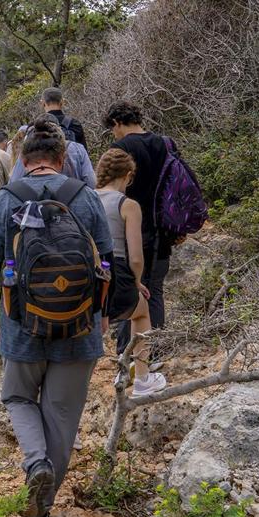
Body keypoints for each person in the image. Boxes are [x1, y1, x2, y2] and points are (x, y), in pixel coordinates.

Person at [0, 116, 114, 517]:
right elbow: (108, 263)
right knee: (62, 414)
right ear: (62, 156)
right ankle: (41, 509)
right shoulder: (85, 197)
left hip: (21, 324)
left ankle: (35, 464)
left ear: (21, 157)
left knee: (18, 398)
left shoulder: (5, 198)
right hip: (80, 327)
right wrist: (102, 316)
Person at [104, 101, 174, 357]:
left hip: (133, 227)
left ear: (117, 123)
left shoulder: (121, 148)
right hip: (163, 228)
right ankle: (153, 353)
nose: (114, 134)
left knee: (132, 291)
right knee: (155, 291)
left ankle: (128, 354)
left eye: (113, 129)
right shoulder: (165, 143)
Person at [95, 149, 167, 396]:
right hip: (117, 272)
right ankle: (143, 379)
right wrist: (137, 282)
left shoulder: (86, 198)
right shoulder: (128, 205)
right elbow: (135, 256)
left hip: (88, 273)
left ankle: (122, 370)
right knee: (141, 311)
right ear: (127, 176)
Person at [9, 126, 96, 188]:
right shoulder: (86, 196)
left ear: (24, 162)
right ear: (61, 160)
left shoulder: (6, 197)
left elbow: (13, 180)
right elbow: (91, 181)